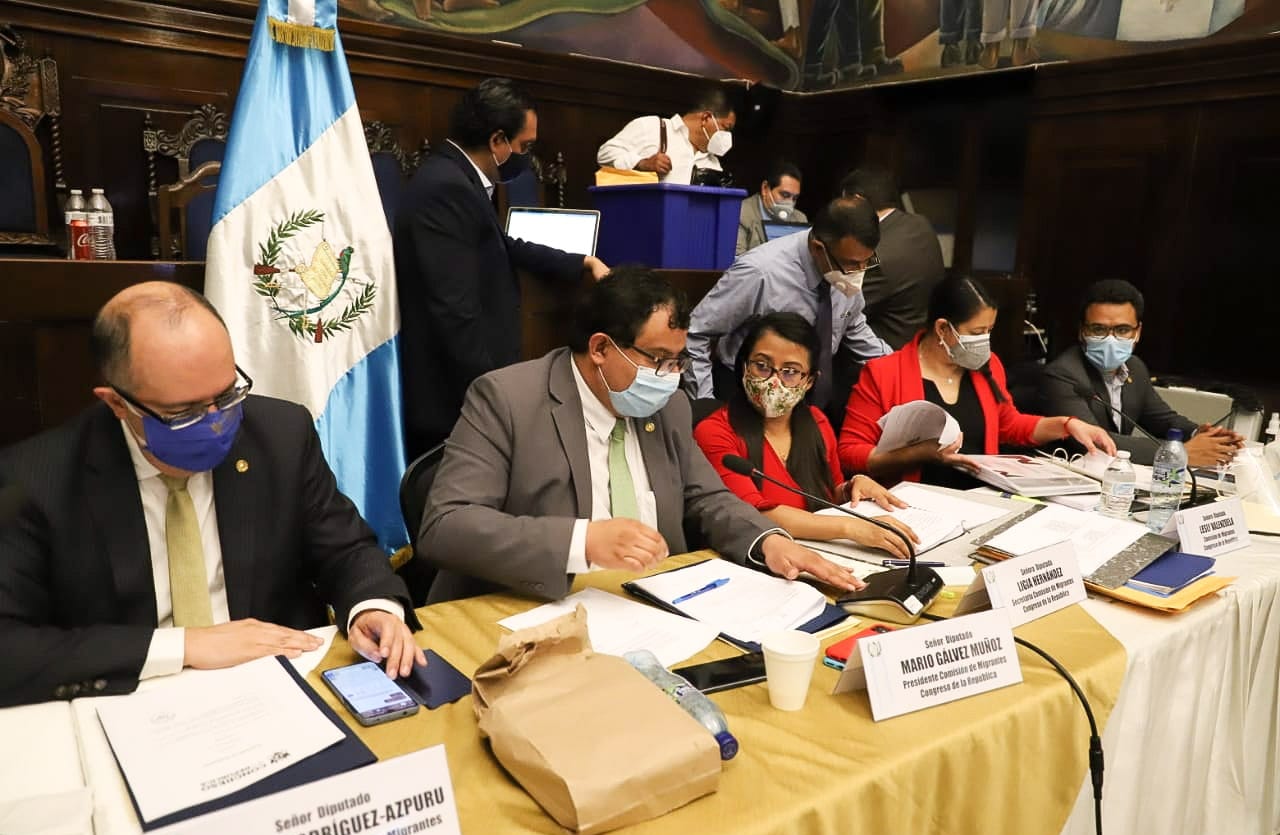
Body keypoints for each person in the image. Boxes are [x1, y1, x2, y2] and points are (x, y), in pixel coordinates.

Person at [0, 282, 422, 708]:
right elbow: (10, 648)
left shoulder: (280, 435)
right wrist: (185, 647)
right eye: (184, 413)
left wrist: (373, 605)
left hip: (278, 685)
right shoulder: (35, 482)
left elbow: (346, 549)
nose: (217, 422)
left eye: (226, 394)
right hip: (132, 698)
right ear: (116, 403)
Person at [419, 267, 863, 603]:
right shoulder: (507, 399)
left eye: (678, 361)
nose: (670, 376)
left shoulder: (667, 405)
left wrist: (768, 540)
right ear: (600, 348)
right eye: (657, 359)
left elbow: (706, 498)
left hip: (652, 606)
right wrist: (582, 541)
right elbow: (446, 525)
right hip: (535, 609)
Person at [394, 77, 610, 459]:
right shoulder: (447, 188)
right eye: (524, 146)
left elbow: (501, 245)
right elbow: (455, 311)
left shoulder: (457, 178)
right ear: (497, 141)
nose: (526, 155)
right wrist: (491, 395)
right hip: (452, 402)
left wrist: (580, 262)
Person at [839, 274, 1115, 487]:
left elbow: (1008, 425)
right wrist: (921, 454)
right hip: (913, 505)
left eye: (989, 330)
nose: (984, 340)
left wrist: (1066, 424)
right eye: (976, 331)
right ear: (943, 329)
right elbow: (851, 454)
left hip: (983, 499)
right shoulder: (883, 373)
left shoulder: (987, 365)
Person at [694, 312, 918, 556]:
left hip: (823, 552)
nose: (773, 381)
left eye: (790, 372)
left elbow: (825, 495)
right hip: (761, 558)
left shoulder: (816, 422)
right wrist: (852, 527)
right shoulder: (715, 431)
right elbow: (753, 515)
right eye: (762, 366)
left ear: (810, 381)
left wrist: (851, 488)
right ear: (744, 366)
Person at [686, 196, 891, 424]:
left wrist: (902, 371)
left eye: (867, 261)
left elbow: (854, 327)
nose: (859, 271)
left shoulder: (848, 270)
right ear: (818, 248)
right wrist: (705, 407)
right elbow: (695, 333)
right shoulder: (760, 272)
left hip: (805, 405)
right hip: (747, 399)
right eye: (852, 264)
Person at [1042, 279, 1243, 467]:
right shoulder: (1063, 373)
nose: (1110, 339)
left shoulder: (1135, 367)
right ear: (1081, 331)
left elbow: (1162, 420)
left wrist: (1202, 434)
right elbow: (1092, 442)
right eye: (1098, 329)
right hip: (1071, 477)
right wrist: (1178, 453)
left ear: (1137, 332)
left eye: (1122, 330)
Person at [840, 166, 946, 349]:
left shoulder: (875, 256)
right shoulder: (921, 224)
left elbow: (843, 311)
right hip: (920, 345)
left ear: (857, 202)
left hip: (881, 357)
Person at [596, 86, 736, 184]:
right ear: (706, 118)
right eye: (726, 127)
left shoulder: (714, 163)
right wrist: (642, 163)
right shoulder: (651, 127)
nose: (727, 136)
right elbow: (605, 153)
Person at [737, 160, 808, 255]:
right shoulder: (741, 213)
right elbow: (737, 260)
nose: (790, 202)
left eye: (794, 198)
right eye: (785, 195)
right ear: (765, 188)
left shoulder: (800, 219)